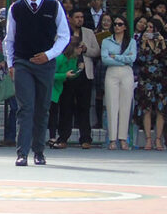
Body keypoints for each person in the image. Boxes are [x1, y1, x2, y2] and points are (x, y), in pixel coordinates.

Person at [4, 0, 70, 166]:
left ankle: (39, 151)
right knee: (25, 108)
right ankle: (22, 152)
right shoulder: (16, 7)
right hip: (23, 62)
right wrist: (10, 64)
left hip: (45, 64)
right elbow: (9, 39)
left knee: (42, 108)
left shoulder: (54, 5)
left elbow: (65, 36)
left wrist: (48, 55)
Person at [64, 10, 99, 148]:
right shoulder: (63, 31)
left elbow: (96, 51)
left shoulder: (89, 32)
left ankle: (85, 139)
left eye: (82, 17)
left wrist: (85, 50)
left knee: (84, 107)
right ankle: (63, 138)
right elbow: (57, 48)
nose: (80, 19)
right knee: (66, 106)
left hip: (85, 74)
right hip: (68, 72)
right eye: (77, 17)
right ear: (70, 19)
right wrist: (72, 50)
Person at [101, 15, 136, 150]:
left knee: (126, 105)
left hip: (127, 72)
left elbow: (132, 58)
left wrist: (115, 57)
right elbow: (105, 59)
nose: (117, 26)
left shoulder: (131, 41)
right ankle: (112, 139)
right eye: (115, 24)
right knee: (111, 105)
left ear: (125, 27)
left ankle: (123, 138)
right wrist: (123, 59)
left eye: (120, 24)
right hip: (112, 72)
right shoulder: (106, 41)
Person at [134, 20, 167, 150]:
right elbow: (140, 59)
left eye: (152, 27)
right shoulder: (142, 42)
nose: (149, 30)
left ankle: (158, 139)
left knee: (160, 110)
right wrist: (143, 43)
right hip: (146, 80)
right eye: (147, 27)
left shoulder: (163, 42)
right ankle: (148, 139)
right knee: (146, 109)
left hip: (161, 80)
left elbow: (165, 59)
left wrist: (162, 42)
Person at [49, 32, 83, 149]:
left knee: (66, 112)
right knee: (52, 113)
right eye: (80, 47)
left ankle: (62, 137)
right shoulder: (60, 58)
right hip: (53, 89)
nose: (81, 50)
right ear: (73, 48)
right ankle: (52, 136)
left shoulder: (74, 59)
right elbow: (51, 75)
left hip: (64, 88)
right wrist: (65, 75)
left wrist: (78, 71)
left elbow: (72, 74)